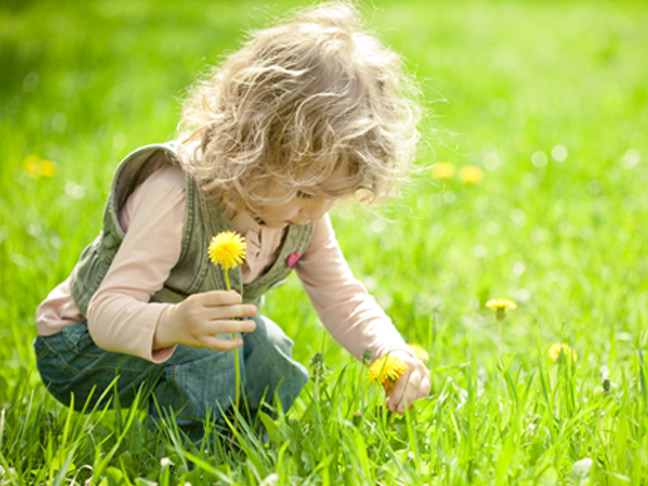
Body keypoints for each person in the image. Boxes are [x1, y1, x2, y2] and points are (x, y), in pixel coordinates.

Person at [34, 2, 431, 443]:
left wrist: (392, 352)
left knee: (267, 345)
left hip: (177, 337)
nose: (316, 212)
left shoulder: (304, 214)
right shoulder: (175, 195)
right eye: (304, 192)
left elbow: (344, 298)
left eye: (332, 198)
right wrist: (171, 324)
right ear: (251, 149)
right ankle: (190, 456)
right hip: (81, 348)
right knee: (212, 348)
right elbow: (106, 312)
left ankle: (243, 436)